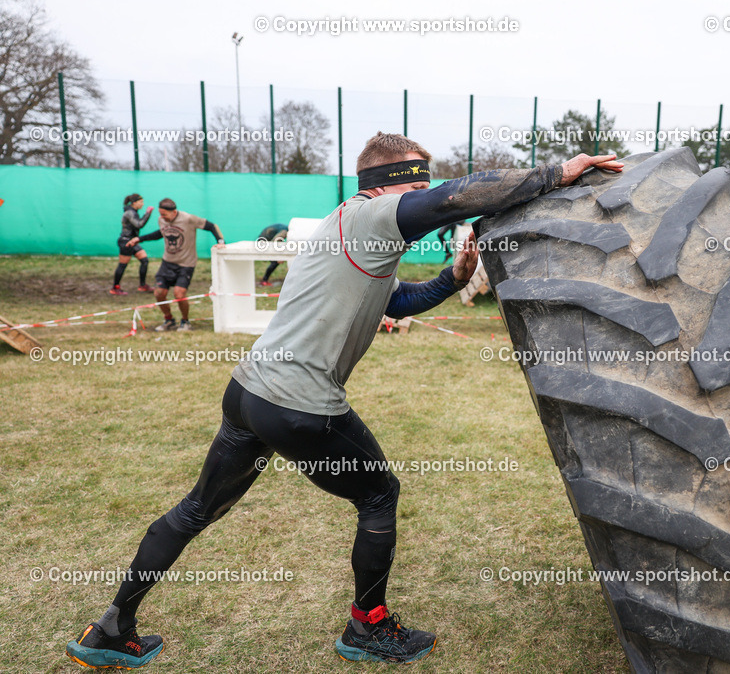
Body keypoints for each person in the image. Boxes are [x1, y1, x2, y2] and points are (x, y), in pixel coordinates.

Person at [66, 132, 623, 669]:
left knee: (196, 508)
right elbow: (449, 200)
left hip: (249, 392)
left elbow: (398, 301)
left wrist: (454, 280)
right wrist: (558, 172)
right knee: (380, 496)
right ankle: (368, 625)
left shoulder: (347, 229)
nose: (418, 197)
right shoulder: (372, 213)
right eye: (412, 185)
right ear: (382, 183)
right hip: (298, 403)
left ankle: (111, 629)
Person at [126, 199, 226, 332]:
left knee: (179, 294)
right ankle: (169, 320)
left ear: (174, 212)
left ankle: (185, 322)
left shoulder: (188, 218)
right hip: (167, 262)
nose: (162, 217)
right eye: (160, 214)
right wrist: (140, 239)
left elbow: (212, 226)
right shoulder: (162, 220)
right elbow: (160, 233)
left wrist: (221, 241)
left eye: (164, 214)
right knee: (159, 293)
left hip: (186, 263)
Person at [111, 194, 154, 295]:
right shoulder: (129, 213)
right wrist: (147, 213)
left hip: (133, 241)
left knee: (144, 260)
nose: (142, 204)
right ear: (134, 203)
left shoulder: (133, 212)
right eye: (141, 202)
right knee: (123, 265)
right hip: (126, 242)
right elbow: (139, 224)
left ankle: (142, 285)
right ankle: (115, 288)